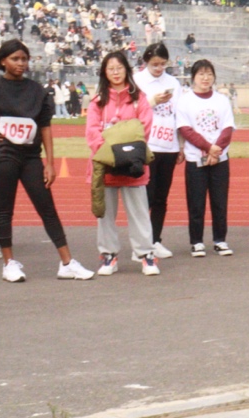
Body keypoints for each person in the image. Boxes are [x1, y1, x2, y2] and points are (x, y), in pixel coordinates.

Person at [0, 40, 94, 282]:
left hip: (31, 157)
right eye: (15, 59)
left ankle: (67, 263)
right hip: (3, 155)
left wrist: (50, 163)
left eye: (24, 59)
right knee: (4, 210)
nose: (21, 63)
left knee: (47, 208)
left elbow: (45, 127)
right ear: (3, 62)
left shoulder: (37, 90)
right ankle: (9, 264)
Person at [86, 52, 158, 275]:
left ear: (127, 69)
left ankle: (146, 255)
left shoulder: (139, 98)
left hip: (133, 166)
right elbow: (92, 132)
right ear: (104, 73)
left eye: (119, 68)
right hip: (106, 165)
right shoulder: (98, 101)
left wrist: (125, 151)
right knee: (105, 215)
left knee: (139, 212)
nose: (116, 72)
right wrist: (110, 153)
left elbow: (144, 128)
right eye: (111, 69)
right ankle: (109, 256)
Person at [176, 59, 235, 257]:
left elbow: (227, 128)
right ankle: (197, 242)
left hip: (220, 159)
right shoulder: (185, 101)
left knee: (220, 201)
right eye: (201, 74)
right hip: (196, 159)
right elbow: (186, 130)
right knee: (196, 202)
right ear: (193, 77)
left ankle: (220, 240)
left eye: (209, 74)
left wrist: (216, 150)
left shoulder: (222, 100)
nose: (205, 78)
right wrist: (208, 148)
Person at [133, 43, 181, 258]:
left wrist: (181, 145)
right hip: (147, 145)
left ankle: (155, 240)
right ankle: (140, 244)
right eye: (155, 64)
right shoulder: (137, 80)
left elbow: (179, 114)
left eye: (163, 64)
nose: (159, 68)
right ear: (146, 62)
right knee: (146, 197)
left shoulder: (173, 82)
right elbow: (132, 109)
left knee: (161, 197)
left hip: (169, 145)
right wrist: (153, 101)